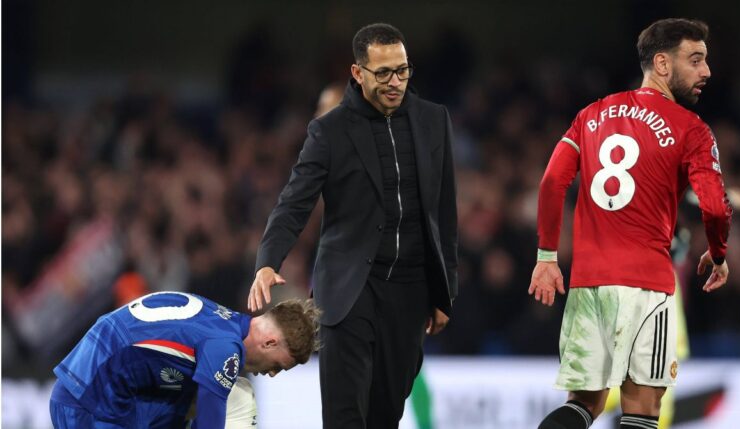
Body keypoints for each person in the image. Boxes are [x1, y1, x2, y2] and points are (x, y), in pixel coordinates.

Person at [247, 22, 458, 428]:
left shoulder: (435, 120)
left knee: (386, 413)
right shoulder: (328, 130)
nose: (395, 81)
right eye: (383, 73)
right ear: (358, 73)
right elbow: (294, 202)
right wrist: (268, 259)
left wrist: (443, 288)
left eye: (402, 70)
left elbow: (444, 212)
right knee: (346, 415)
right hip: (348, 291)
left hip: (411, 291)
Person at [528, 18, 732, 429]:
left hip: (589, 284)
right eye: (695, 60)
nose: (706, 72)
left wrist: (547, 256)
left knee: (583, 405)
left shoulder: (590, 115)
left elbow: (552, 181)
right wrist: (718, 251)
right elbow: (714, 205)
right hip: (648, 285)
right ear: (661, 63)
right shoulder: (691, 129)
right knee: (642, 410)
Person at [49, 292, 320, 428]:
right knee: (234, 399)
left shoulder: (221, 321)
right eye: (278, 366)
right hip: (89, 399)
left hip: (108, 391)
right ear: (270, 342)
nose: (272, 374)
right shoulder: (225, 349)